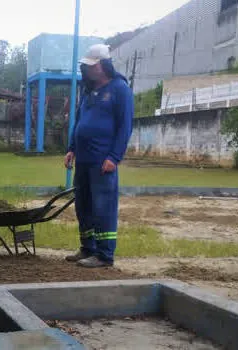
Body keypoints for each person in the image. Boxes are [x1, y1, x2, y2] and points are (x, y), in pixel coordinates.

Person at [64, 44, 133, 268]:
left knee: (103, 207)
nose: (86, 69)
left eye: (89, 66)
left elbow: (125, 126)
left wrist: (114, 157)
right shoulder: (88, 91)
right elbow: (79, 121)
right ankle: (87, 248)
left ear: (102, 66)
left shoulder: (119, 88)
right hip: (83, 159)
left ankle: (104, 255)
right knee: (83, 206)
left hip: (102, 161)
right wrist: (71, 148)